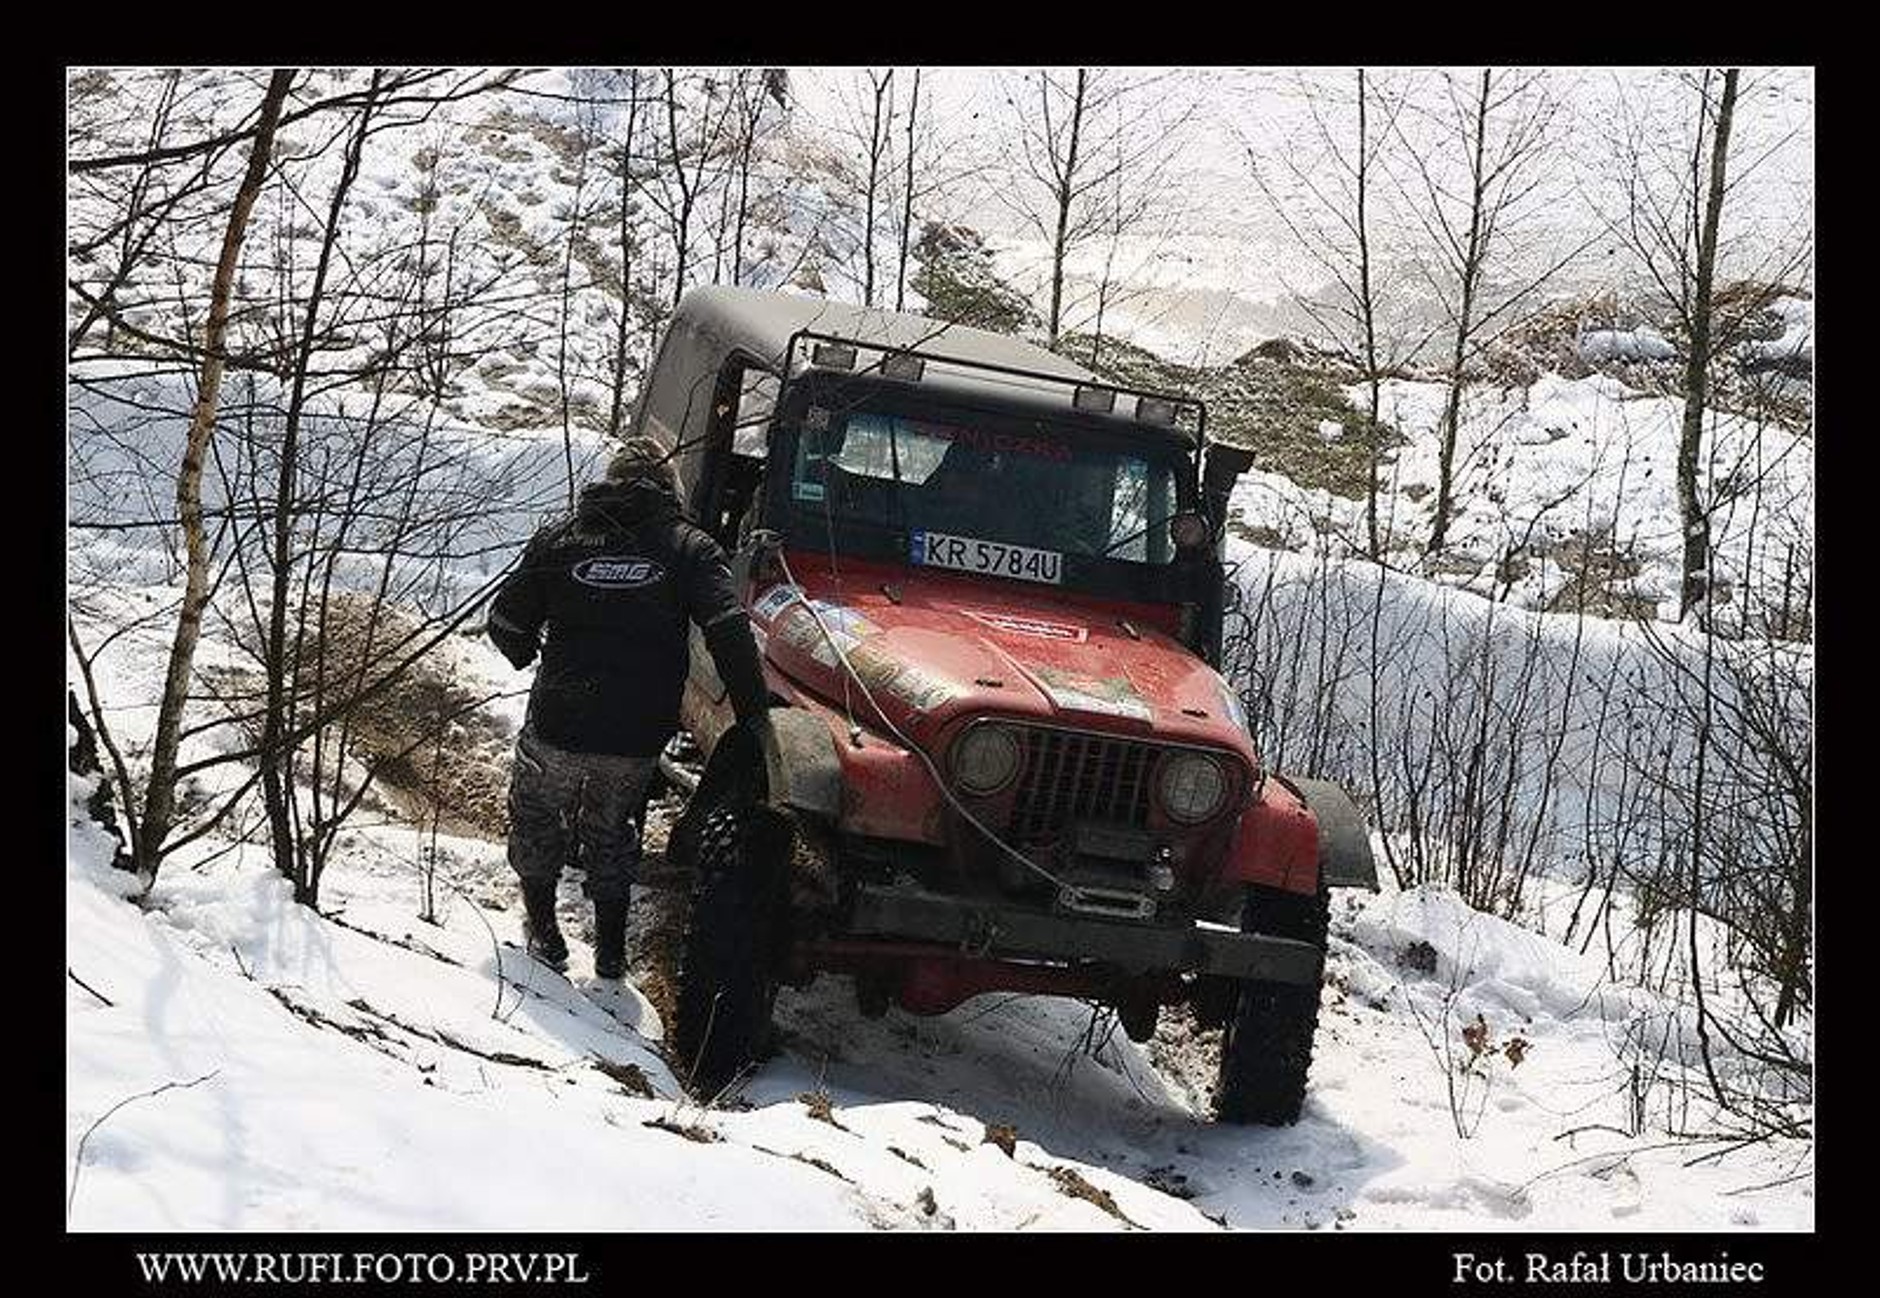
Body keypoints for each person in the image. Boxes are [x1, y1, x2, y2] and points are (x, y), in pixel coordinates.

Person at [486, 438, 770, 977]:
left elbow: (504, 623)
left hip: (558, 720)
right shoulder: (690, 548)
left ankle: (545, 933)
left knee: (537, 819)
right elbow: (730, 632)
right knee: (612, 829)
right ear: (670, 489)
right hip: (636, 733)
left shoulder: (560, 539)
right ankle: (611, 954)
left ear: (609, 481)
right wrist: (755, 716)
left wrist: (526, 653)